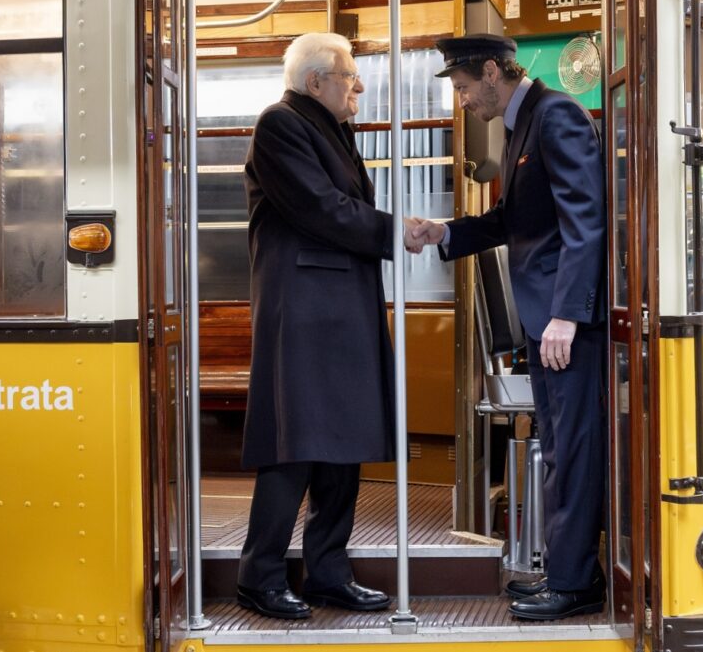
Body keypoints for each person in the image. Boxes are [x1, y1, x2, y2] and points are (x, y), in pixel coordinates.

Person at [408, 33, 607, 621]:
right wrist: (445, 233)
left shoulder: (556, 116)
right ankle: (571, 571)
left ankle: (573, 586)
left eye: (466, 88)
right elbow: (511, 221)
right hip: (545, 324)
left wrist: (567, 316)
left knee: (571, 450)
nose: (464, 101)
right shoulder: (525, 124)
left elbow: (586, 222)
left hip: (562, 325)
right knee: (561, 446)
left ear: (493, 71)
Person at [238, 32, 414, 619]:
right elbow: (320, 208)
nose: (358, 85)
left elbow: (340, 209)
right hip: (306, 308)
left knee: (344, 443)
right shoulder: (281, 124)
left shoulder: (329, 127)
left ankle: (328, 572)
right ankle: (259, 574)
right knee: (294, 444)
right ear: (317, 82)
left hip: (342, 305)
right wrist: (397, 231)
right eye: (349, 75)